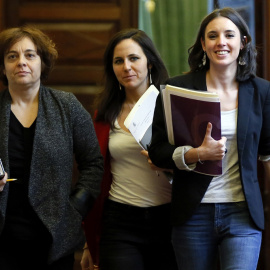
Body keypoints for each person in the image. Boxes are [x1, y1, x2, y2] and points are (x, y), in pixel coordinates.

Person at [148, 7, 270, 270]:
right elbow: (157, 151)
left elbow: (268, 152)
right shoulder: (176, 89)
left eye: (229, 35)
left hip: (243, 213)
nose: (221, 42)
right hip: (193, 212)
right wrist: (197, 154)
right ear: (203, 44)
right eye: (212, 36)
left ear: (243, 42)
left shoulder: (262, 91)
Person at [0, 25, 104, 270]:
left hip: (55, 234)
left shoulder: (66, 105)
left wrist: (75, 208)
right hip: (3, 235)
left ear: (42, 63)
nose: (21, 62)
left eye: (30, 55)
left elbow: (93, 162)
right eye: (12, 56)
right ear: (2, 67)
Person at [81, 29, 177, 270]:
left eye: (134, 58)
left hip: (169, 219)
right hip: (120, 220)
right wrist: (87, 242)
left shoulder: (172, 107)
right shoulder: (104, 115)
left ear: (150, 63)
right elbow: (94, 175)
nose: (126, 67)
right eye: (118, 61)